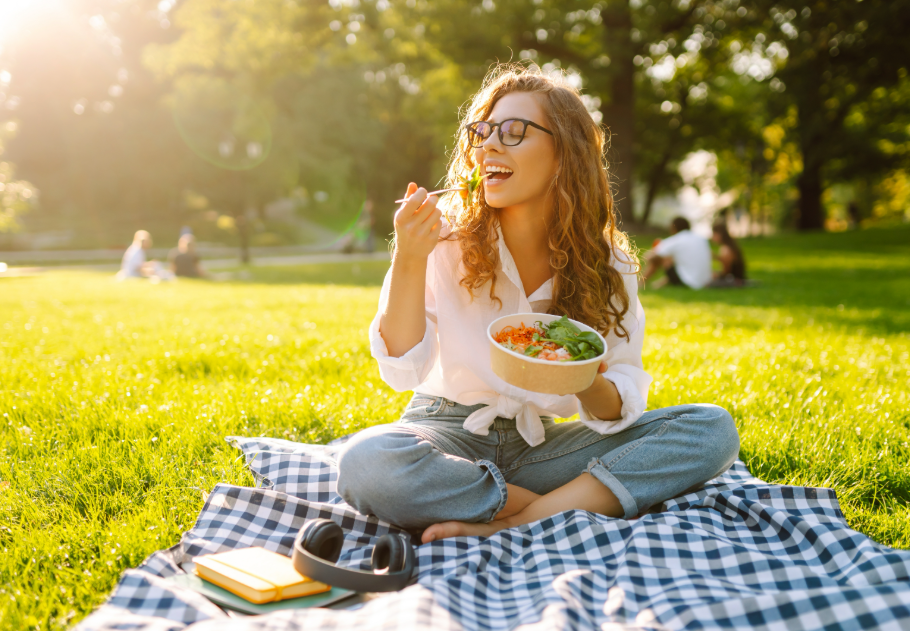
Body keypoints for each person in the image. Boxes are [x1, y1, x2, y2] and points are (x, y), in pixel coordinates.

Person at [334, 65, 739, 543]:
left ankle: (513, 519)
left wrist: (584, 379)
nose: (488, 145)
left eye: (513, 131)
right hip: (446, 436)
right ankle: (561, 507)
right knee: (368, 463)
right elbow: (401, 369)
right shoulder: (441, 239)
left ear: (565, 153)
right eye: (482, 132)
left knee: (711, 429)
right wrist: (409, 258)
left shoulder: (609, 265)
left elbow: (617, 407)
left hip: (542, 448)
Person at [640, 217, 712, 289]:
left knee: (662, 259)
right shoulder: (701, 239)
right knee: (675, 259)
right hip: (704, 282)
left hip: (688, 282)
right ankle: (658, 284)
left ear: (673, 228)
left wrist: (656, 247)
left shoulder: (676, 239)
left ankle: (641, 283)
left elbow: (648, 257)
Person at [709, 222, 746, 287]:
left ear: (719, 234)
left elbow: (726, 272)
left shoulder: (726, 249)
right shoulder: (728, 246)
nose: (712, 237)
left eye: (714, 234)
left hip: (733, 280)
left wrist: (717, 275)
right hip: (735, 278)